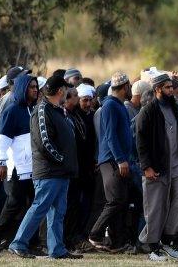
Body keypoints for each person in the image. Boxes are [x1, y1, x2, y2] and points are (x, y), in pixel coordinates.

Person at [7, 75, 82, 259]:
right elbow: (44, 143)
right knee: (40, 207)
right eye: (65, 90)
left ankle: (57, 249)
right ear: (59, 91)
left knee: (58, 212)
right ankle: (18, 243)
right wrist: (62, 160)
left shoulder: (56, 110)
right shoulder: (42, 110)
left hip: (61, 171)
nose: (67, 93)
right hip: (49, 171)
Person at [135, 72, 178, 261]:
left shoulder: (175, 108)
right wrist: (146, 167)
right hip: (157, 166)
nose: (171, 90)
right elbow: (141, 142)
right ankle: (153, 248)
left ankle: (167, 241)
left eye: (171, 87)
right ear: (158, 89)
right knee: (155, 207)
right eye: (168, 87)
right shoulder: (148, 111)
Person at [0, 71, 38, 254]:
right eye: (31, 87)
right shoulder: (12, 110)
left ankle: (29, 243)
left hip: (33, 166)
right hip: (17, 166)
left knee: (34, 204)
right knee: (14, 202)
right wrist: (1, 162)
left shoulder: (33, 110)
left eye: (36, 87)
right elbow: (2, 140)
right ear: (22, 88)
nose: (35, 90)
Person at [88, 72, 135, 252]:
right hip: (112, 160)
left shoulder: (119, 106)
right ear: (125, 87)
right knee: (115, 200)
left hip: (119, 160)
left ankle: (116, 242)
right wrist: (121, 159)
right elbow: (110, 136)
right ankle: (95, 233)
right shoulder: (109, 106)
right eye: (129, 86)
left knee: (121, 201)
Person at [64, 84, 97, 250]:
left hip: (84, 169)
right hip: (73, 169)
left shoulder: (82, 116)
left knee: (83, 205)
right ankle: (70, 238)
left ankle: (78, 236)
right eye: (83, 99)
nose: (87, 103)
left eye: (90, 100)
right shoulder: (68, 115)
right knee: (72, 205)